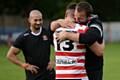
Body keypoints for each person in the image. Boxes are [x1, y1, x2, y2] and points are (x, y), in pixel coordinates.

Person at [55, 2, 104, 80]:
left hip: (93, 67)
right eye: (75, 17)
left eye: (80, 18)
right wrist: (57, 22)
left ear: (88, 17)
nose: (77, 20)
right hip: (77, 69)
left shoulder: (95, 23)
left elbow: (91, 38)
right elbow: (50, 28)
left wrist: (67, 35)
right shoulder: (69, 25)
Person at [6, 10, 55, 80]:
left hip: (49, 75)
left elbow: (59, 47)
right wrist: (23, 65)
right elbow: (10, 55)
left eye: (40, 20)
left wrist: (54, 61)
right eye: (35, 20)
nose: (38, 22)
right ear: (29, 20)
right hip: (33, 76)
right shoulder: (23, 37)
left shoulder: (48, 33)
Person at [52, 3, 89, 80]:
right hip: (78, 76)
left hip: (60, 76)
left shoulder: (55, 31)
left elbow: (52, 26)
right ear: (76, 15)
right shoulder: (83, 29)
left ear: (65, 15)